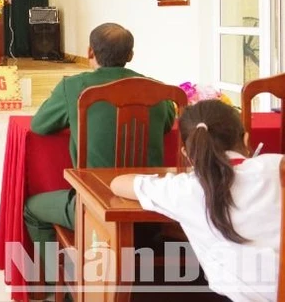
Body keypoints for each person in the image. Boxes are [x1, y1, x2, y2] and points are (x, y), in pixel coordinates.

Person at [24, 23, 175, 285]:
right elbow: (167, 124)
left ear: (89, 52)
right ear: (131, 55)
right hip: (152, 205)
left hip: (93, 208)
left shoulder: (74, 87)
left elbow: (39, 126)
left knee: (32, 209)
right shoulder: (157, 90)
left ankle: (64, 284)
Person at [111, 100, 281, 301]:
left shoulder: (185, 189)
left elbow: (118, 183)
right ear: (245, 140)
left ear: (187, 154)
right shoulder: (276, 165)